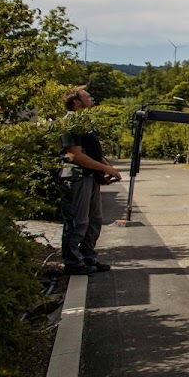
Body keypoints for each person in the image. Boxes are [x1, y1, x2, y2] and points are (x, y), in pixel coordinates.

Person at [59, 86, 122, 275]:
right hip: (77, 176)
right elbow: (75, 155)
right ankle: (73, 263)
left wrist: (106, 167)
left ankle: (88, 257)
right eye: (87, 96)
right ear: (76, 102)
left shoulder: (85, 122)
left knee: (94, 220)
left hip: (90, 176)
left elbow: (93, 152)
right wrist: (105, 168)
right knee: (77, 221)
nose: (92, 98)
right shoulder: (71, 122)